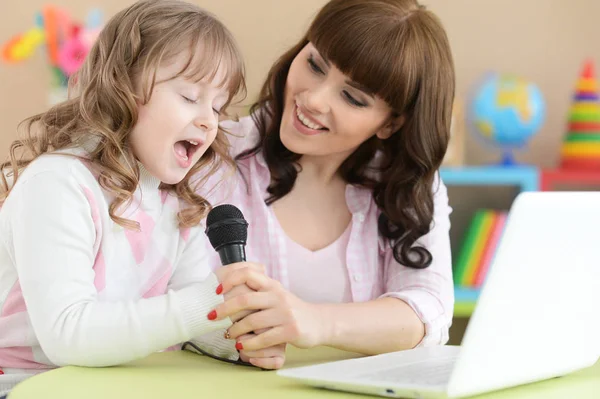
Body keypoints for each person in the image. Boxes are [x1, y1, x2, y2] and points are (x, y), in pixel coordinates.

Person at [0, 1, 276, 396]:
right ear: (124, 88)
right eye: (189, 97)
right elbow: (67, 334)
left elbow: (191, 322)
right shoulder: (58, 183)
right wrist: (205, 303)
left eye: (217, 106)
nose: (209, 120)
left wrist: (241, 338)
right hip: (24, 387)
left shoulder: (179, 209)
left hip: (117, 385)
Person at [194, 0, 456, 369]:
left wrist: (314, 321)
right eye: (315, 64)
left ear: (390, 124)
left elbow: (429, 311)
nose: (314, 99)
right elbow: (165, 293)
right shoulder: (209, 155)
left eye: (352, 97)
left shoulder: (408, 188)